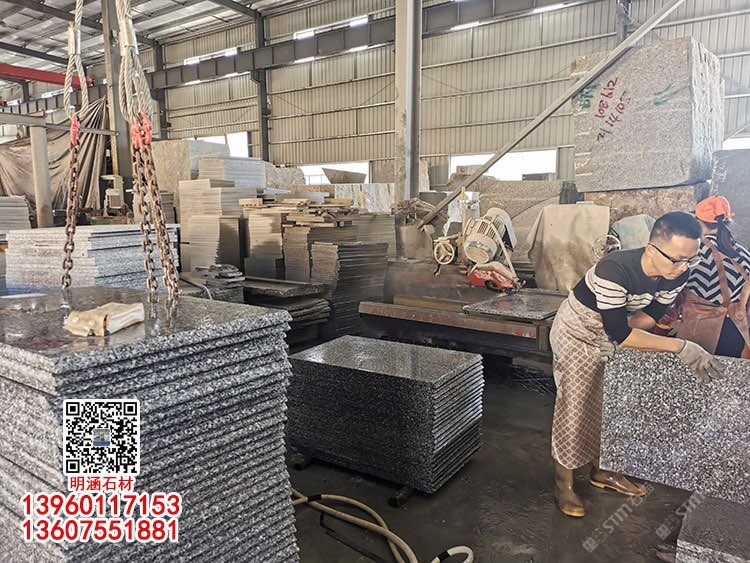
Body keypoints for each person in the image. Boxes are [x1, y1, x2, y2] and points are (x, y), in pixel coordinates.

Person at [550, 211, 724, 518]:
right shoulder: (614, 269)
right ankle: (563, 484)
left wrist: (617, 339)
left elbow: (649, 318)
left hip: (617, 330)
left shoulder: (678, 274)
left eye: (690, 260)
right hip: (578, 330)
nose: (683, 268)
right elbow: (621, 333)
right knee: (576, 403)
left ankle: (603, 471)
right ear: (652, 249)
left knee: (612, 403)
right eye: (677, 260)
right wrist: (680, 346)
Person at [676, 196, 750, 358]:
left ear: (697, 221)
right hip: (736, 331)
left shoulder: (695, 250)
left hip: (699, 330)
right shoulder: (742, 252)